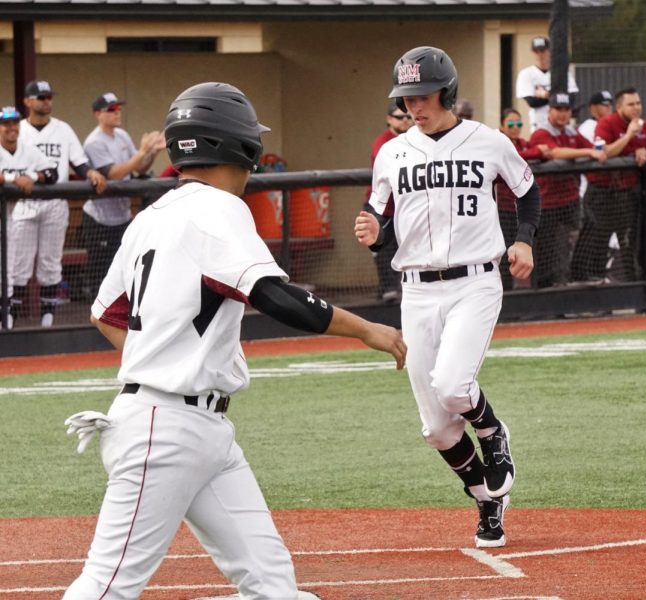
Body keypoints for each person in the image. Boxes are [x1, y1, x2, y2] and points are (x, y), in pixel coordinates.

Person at [63, 82, 406, 599]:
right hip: (164, 429)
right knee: (108, 585)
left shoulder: (152, 215)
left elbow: (104, 314)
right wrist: (368, 329)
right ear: (235, 144)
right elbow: (277, 298)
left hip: (198, 429)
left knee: (272, 585)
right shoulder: (219, 209)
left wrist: (161, 358)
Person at [355, 46, 539, 548]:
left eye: (424, 94)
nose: (414, 105)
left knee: (455, 386)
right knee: (437, 429)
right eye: (406, 96)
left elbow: (527, 190)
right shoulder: (391, 153)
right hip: (415, 291)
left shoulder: (489, 141)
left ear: (448, 92)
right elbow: (385, 224)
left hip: (475, 282)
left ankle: (494, 432)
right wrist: (375, 231)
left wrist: (523, 239)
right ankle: (487, 500)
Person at [14, 80, 107, 328]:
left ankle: (48, 319)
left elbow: (79, 162)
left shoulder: (63, 129)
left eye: (49, 97)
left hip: (55, 203)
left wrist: (91, 173)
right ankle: (9, 319)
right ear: (28, 101)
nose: (47, 101)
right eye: (41, 97)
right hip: (24, 203)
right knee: (17, 264)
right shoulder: (18, 130)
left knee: (50, 263)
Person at [81, 92, 166, 298]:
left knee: (126, 267)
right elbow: (114, 174)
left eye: (118, 108)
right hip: (99, 219)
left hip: (122, 217)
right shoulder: (94, 141)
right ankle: (97, 318)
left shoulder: (122, 135)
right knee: (102, 274)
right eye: (111, 110)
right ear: (98, 114)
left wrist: (152, 152)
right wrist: (141, 151)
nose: (117, 113)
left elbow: (140, 169)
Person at [529, 92, 607, 288]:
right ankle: (544, 292)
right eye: (559, 109)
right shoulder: (541, 132)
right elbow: (555, 153)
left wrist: (596, 150)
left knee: (570, 244)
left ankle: (569, 282)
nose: (563, 114)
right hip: (546, 203)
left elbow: (595, 149)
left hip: (569, 200)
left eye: (566, 110)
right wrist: (589, 152)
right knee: (546, 250)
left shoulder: (571, 132)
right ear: (549, 110)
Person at [581, 87, 646, 282]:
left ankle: (633, 287)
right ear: (619, 106)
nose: (636, 108)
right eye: (631, 104)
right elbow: (603, 153)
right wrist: (629, 136)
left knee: (630, 243)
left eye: (638, 103)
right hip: (602, 194)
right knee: (597, 241)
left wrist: (645, 155)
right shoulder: (606, 123)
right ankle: (593, 287)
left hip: (629, 194)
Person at [0, 106, 59, 329]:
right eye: (6, 124)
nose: (11, 128)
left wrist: (31, 176)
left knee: (6, 269)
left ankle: (6, 321)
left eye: (15, 123)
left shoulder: (28, 150)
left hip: (7, 217)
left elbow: (52, 174)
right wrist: (14, 178)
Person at [495, 107, 549, 289]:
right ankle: (506, 292)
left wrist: (539, 152)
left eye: (519, 123)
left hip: (522, 209)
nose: (515, 127)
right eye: (511, 123)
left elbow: (544, 151)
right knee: (503, 255)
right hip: (502, 210)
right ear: (502, 126)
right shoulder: (499, 143)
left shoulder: (524, 143)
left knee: (526, 251)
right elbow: (531, 154)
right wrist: (537, 153)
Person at [366, 103, 412, 302]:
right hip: (381, 205)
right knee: (383, 249)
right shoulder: (384, 142)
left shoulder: (414, 140)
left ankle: (397, 290)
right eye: (399, 117)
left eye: (406, 117)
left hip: (403, 205)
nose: (404, 121)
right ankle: (387, 291)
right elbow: (385, 165)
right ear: (389, 119)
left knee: (404, 247)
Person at [515, 35, 579, 132]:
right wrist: (558, 95)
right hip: (539, 124)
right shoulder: (526, 74)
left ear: (550, 51)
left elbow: (571, 98)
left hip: (562, 124)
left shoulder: (562, 73)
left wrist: (545, 94)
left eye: (543, 51)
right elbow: (532, 102)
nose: (540, 55)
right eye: (536, 51)